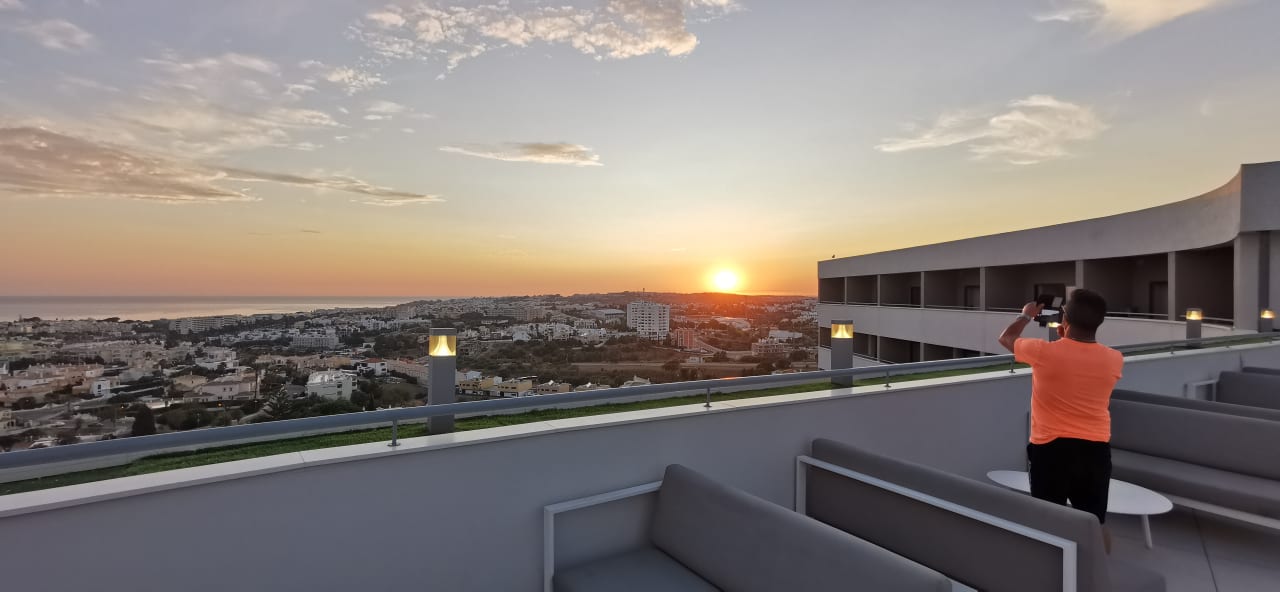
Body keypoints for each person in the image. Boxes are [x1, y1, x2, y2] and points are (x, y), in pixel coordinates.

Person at [997, 289, 1123, 551]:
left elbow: (1006, 338)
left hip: (1051, 451)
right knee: (1094, 523)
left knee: (1047, 522)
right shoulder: (1114, 359)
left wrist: (1025, 315)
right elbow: (1080, 360)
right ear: (1099, 322)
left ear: (1064, 318)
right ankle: (1096, 577)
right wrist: (1068, 338)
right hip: (1095, 452)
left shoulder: (1044, 352)